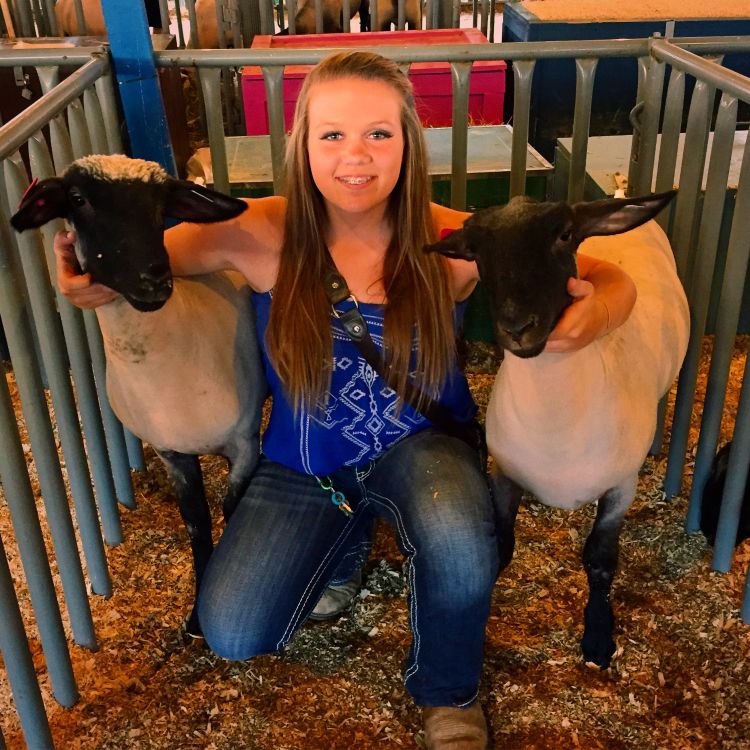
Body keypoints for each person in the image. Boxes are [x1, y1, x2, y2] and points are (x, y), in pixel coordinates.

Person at [55, 50, 636, 750]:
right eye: (331, 135)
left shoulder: (456, 238)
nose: (354, 156)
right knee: (235, 631)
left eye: (378, 134)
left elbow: (610, 277)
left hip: (421, 447)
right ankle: (349, 534)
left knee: (460, 536)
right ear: (302, 144)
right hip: (304, 461)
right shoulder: (260, 229)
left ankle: (449, 691)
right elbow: (139, 250)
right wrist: (90, 278)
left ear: (407, 142)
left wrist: (585, 325)